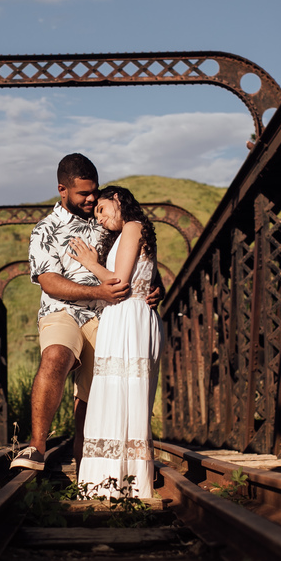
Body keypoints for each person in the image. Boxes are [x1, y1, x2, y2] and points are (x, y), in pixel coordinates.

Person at [10, 153, 128, 471]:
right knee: (55, 356)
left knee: (101, 381)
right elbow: (49, 282)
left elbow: (135, 253)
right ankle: (36, 446)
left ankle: (85, 455)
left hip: (105, 315)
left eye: (95, 191)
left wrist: (152, 286)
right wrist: (98, 291)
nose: (92, 199)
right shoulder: (44, 230)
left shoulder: (107, 221)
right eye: (83, 193)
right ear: (62, 190)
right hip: (62, 310)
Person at [66, 186, 163, 498]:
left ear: (118, 199)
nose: (99, 218)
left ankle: (114, 483)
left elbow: (119, 283)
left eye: (102, 209)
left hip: (128, 319)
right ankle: (122, 482)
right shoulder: (133, 231)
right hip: (125, 319)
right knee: (121, 397)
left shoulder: (133, 226)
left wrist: (90, 261)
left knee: (121, 396)